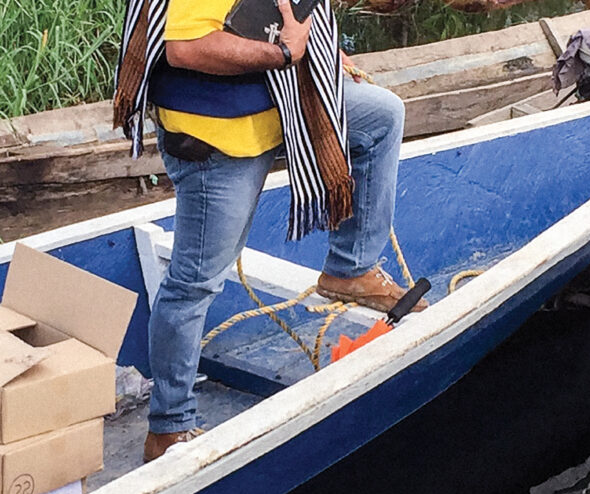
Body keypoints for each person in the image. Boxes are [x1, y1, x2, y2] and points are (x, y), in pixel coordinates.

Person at [137, 0, 426, 462]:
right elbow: (185, 48)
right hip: (219, 135)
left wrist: (332, 58)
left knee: (380, 116)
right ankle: (168, 427)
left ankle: (350, 269)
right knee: (195, 281)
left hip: (283, 103)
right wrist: (284, 54)